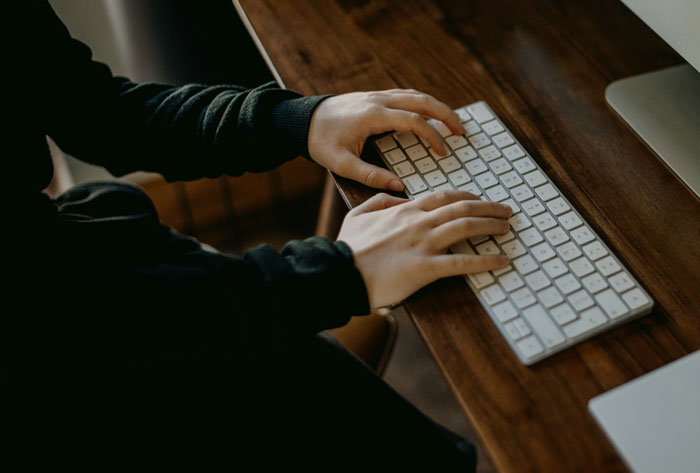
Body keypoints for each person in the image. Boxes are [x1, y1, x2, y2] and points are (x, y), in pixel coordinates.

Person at [8, 1, 513, 469]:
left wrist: (298, 120)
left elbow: (99, 113)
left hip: (104, 276)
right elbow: (62, 326)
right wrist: (338, 272)